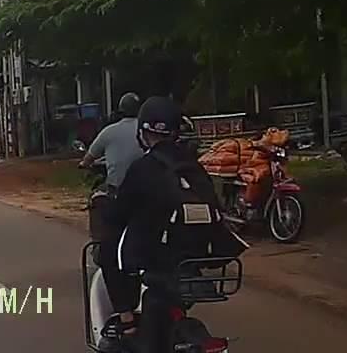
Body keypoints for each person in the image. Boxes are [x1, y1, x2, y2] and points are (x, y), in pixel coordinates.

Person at [98, 96, 246, 352]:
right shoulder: (194, 167)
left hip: (160, 259)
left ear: (143, 132)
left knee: (109, 249)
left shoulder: (143, 167)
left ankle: (127, 322)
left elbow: (117, 215)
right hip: (199, 255)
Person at [80, 92, 145, 244]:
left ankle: (99, 242)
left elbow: (89, 157)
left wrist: (83, 164)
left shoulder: (109, 131)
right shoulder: (146, 130)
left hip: (117, 190)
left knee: (97, 200)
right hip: (146, 190)